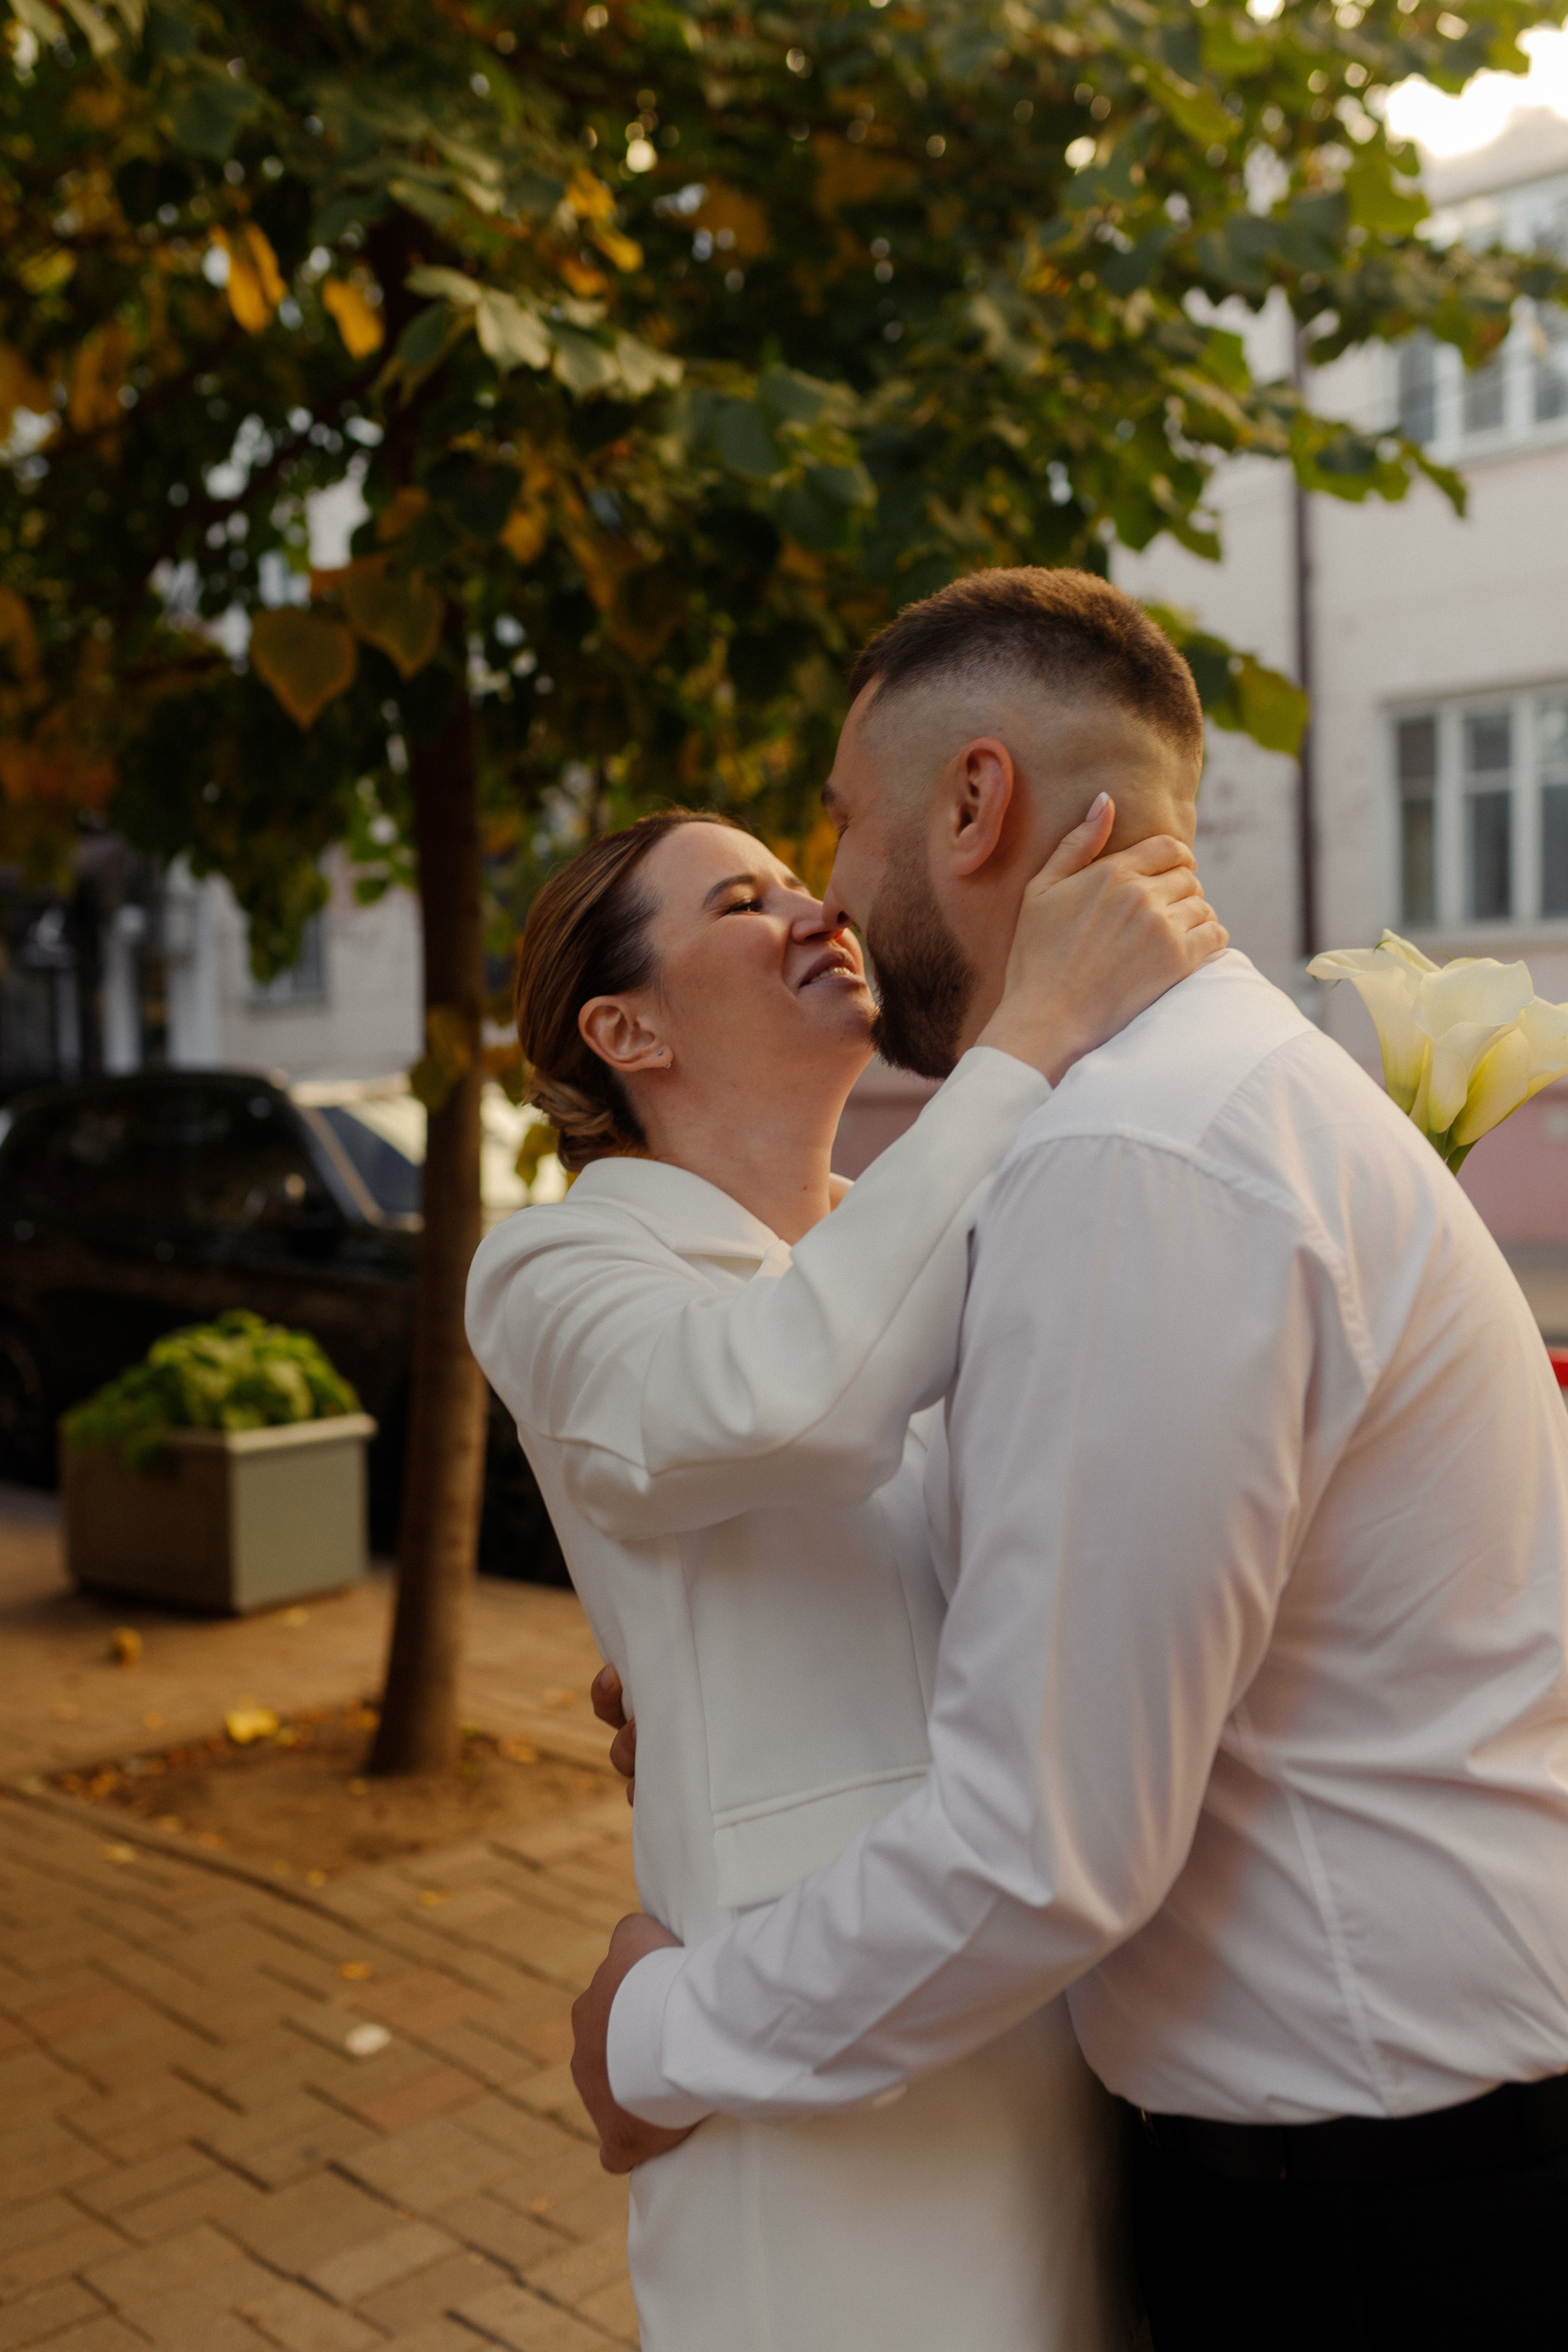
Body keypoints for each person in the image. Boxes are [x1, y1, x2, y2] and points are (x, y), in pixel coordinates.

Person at [568, 568, 1568, 2351]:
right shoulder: (1208, 1104)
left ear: (975, 805)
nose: (840, 898)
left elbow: (1044, 1848)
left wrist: (662, 2038)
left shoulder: (1145, 1158)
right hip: (1396, 2164)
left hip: (1370, 2213)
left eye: (843, 826)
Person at [467, 752, 1224, 2342]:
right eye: (747, 901)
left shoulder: (916, 1224)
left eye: (801, 880)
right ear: (629, 1029)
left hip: (1027, 2021)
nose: (818, 909)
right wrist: (1022, 1042)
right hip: (807, 2071)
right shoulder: (556, 1266)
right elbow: (771, 1407)